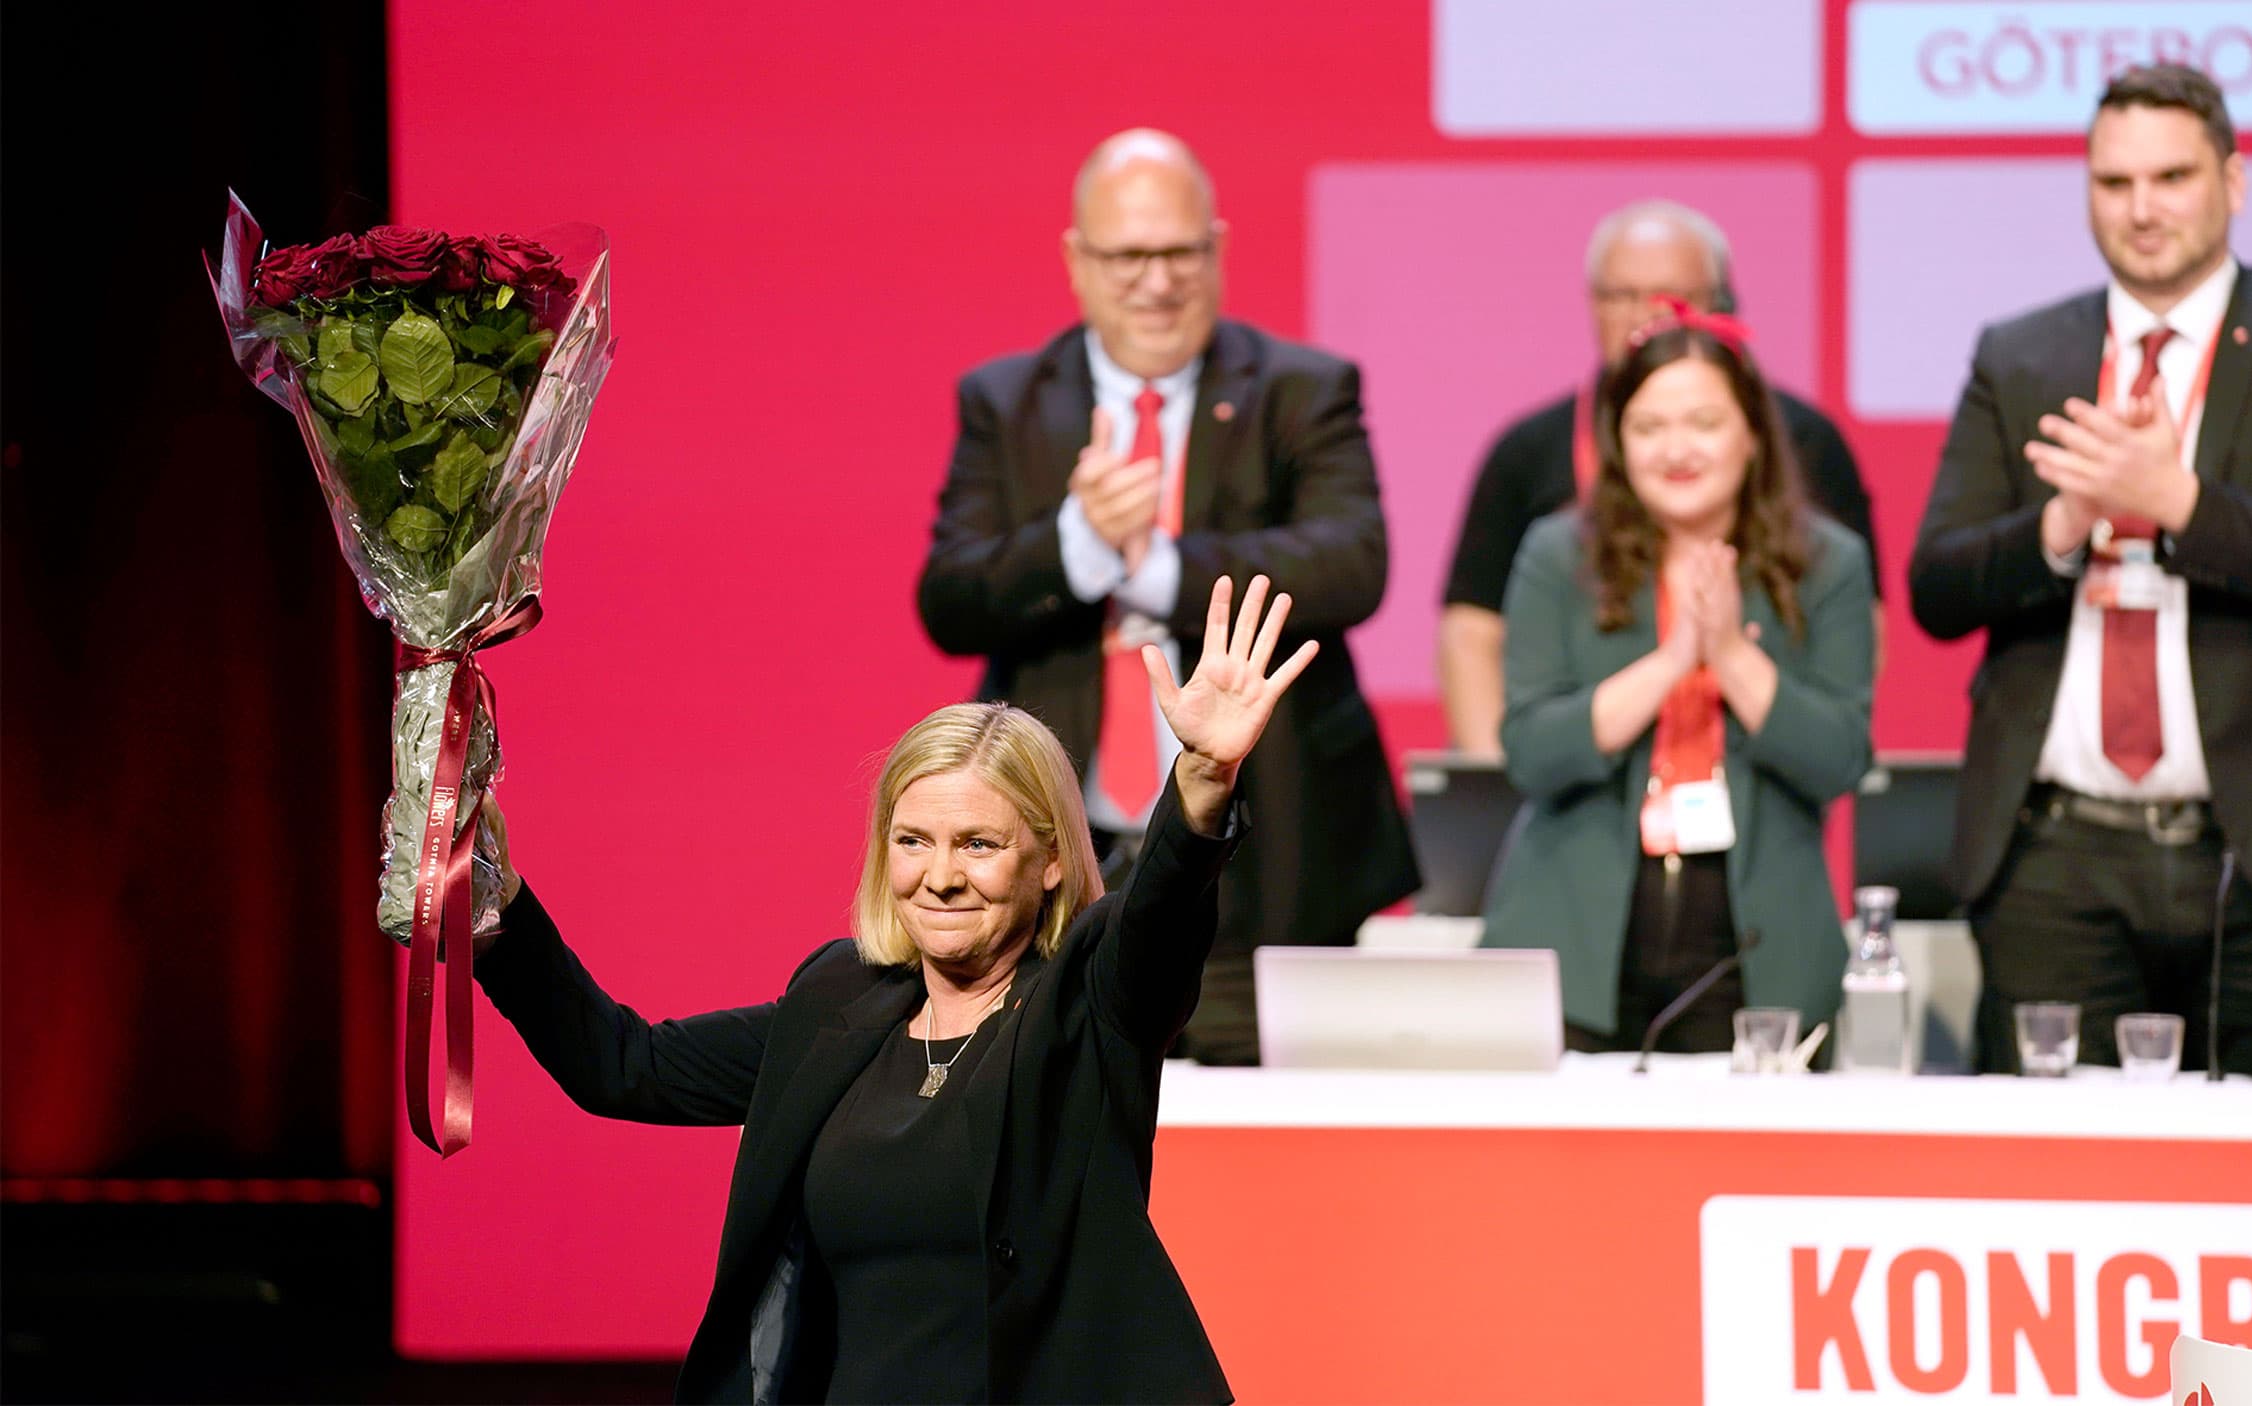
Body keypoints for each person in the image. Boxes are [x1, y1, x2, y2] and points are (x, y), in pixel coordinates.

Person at [474, 576, 1313, 1404]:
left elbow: (1160, 919)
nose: (940, 878)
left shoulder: (1090, 1003)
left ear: (1051, 859)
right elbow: (624, 1066)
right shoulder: (837, 1001)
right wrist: (493, 900)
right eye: (914, 840)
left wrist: (1202, 777)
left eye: (979, 844)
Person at [1907, 64, 2252, 1079]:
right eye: (2112, 182)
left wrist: (2173, 499)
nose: (2141, 209)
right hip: (2057, 860)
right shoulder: (2020, 353)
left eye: (2171, 176)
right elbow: (1936, 582)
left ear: (2232, 181)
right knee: (2051, 1192)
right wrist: (2064, 519)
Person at [916, 129, 1418, 1064]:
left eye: (1180, 252)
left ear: (1218, 249)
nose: (1157, 280)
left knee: (1275, 1153)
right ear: (1076, 261)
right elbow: (951, 597)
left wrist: (1155, 567)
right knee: (1061, 1113)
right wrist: (1076, 545)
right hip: (1063, 861)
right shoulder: (1008, 400)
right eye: (1128, 256)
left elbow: (1352, 563)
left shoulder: (1302, 390)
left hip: (1264, 859)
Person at [1479, 303, 1873, 1053]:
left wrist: (1728, 652)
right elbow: (1533, 750)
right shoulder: (1561, 556)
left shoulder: (1828, 563)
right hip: (1577, 936)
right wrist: (1671, 661)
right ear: (1617, 444)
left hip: (1751, 946)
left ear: (1753, 433)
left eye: (1703, 422)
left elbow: (1838, 759)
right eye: (1648, 427)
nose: (1677, 449)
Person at [1439, 199, 1880, 757]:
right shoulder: (1532, 467)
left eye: (1673, 294)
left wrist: (1736, 661)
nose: (1647, 314)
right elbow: (1473, 633)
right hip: (1590, 798)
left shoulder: (1807, 444)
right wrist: (1491, 780)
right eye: (1620, 296)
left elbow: (1856, 644)